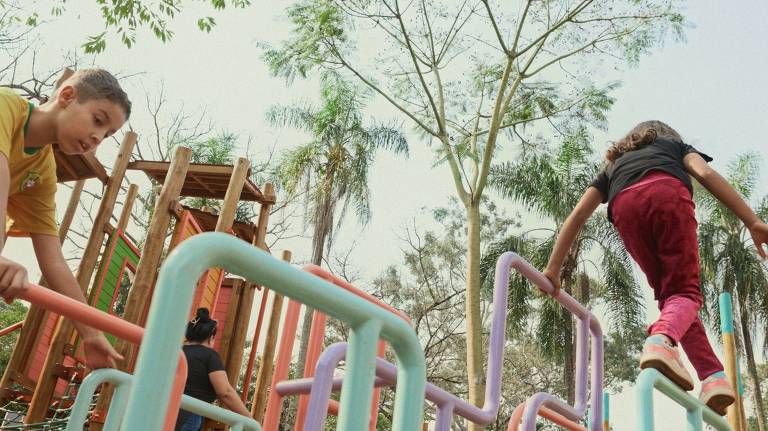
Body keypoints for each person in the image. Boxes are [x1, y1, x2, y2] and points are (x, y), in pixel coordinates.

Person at [542, 120, 768, 415]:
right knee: (686, 293)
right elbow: (707, 173)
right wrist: (751, 221)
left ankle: (712, 377)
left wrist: (553, 268)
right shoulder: (675, 147)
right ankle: (661, 339)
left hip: (624, 210)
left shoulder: (611, 168)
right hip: (667, 194)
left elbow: (578, 215)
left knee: (673, 298)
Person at [0, 69, 131, 368]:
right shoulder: (6, 106)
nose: (97, 137)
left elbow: (54, 261)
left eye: (107, 134)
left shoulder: (42, 171)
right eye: (98, 120)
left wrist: (90, 332)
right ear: (67, 96)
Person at [175, 308, 252, 431]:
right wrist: (250, 420)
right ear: (211, 337)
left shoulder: (176, 351)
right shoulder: (210, 355)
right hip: (188, 414)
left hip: (163, 409)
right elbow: (225, 392)